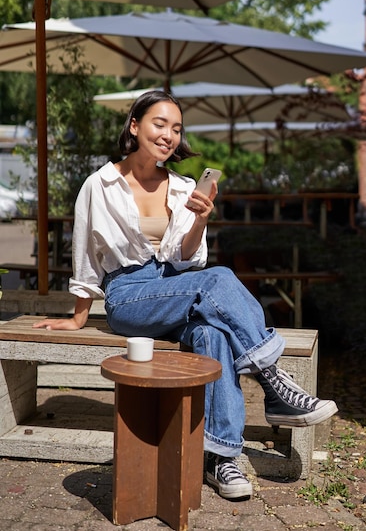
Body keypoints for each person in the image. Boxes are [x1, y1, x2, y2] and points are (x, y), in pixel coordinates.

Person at [33, 90, 338, 500]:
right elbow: (85, 251)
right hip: (128, 294)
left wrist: (199, 220)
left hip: (176, 286)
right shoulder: (100, 184)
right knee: (219, 279)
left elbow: (188, 258)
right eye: (160, 124)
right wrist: (79, 315)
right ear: (135, 125)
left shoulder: (182, 186)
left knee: (213, 334)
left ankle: (220, 457)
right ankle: (273, 382)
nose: (169, 135)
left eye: (176, 128)